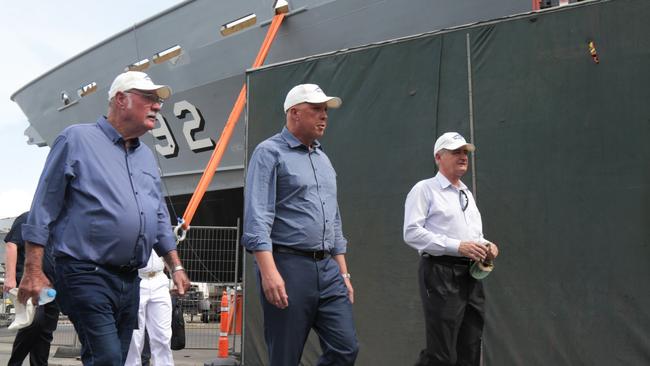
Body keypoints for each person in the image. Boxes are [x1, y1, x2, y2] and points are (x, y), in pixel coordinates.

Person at [18, 71, 191, 366]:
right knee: (108, 358)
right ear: (121, 100)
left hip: (129, 280)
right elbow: (44, 205)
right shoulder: (76, 139)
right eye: (149, 98)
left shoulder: (147, 157)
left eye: (157, 100)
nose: (157, 106)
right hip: (85, 272)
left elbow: (158, 216)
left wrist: (175, 265)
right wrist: (32, 270)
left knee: (116, 358)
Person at [242, 83, 359, 366]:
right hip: (288, 265)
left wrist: (343, 273)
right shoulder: (269, 152)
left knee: (346, 348)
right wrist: (269, 273)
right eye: (316, 109)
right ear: (294, 113)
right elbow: (257, 216)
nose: (324, 116)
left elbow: (334, 217)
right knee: (285, 356)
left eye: (325, 110)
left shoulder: (323, 158)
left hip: (328, 268)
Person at [403, 132, 500, 366]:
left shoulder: (466, 193)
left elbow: (473, 236)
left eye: (465, 152)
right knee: (441, 352)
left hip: (472, 275)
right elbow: (412, 233)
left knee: (470, 347)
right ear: (438, 157)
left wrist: (488, 246)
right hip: (440, 273)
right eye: (456, 151)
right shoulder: (424, 189)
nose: (463, 156)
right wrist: (458, 246)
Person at [3, 211, 59, 366]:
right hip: (31, 282)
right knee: (34, 323)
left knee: (46, 331)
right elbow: (12, 244)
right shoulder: (29, 217)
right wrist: (10, 277)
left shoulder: (58, 223)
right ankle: (15, 363)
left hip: (52, 286)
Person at [125, 250, 174, 366]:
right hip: (135, 278)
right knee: (134, 337)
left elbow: (167, 248)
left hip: (159, 279)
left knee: (163, 335)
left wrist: (174, 273)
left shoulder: (160, 230)